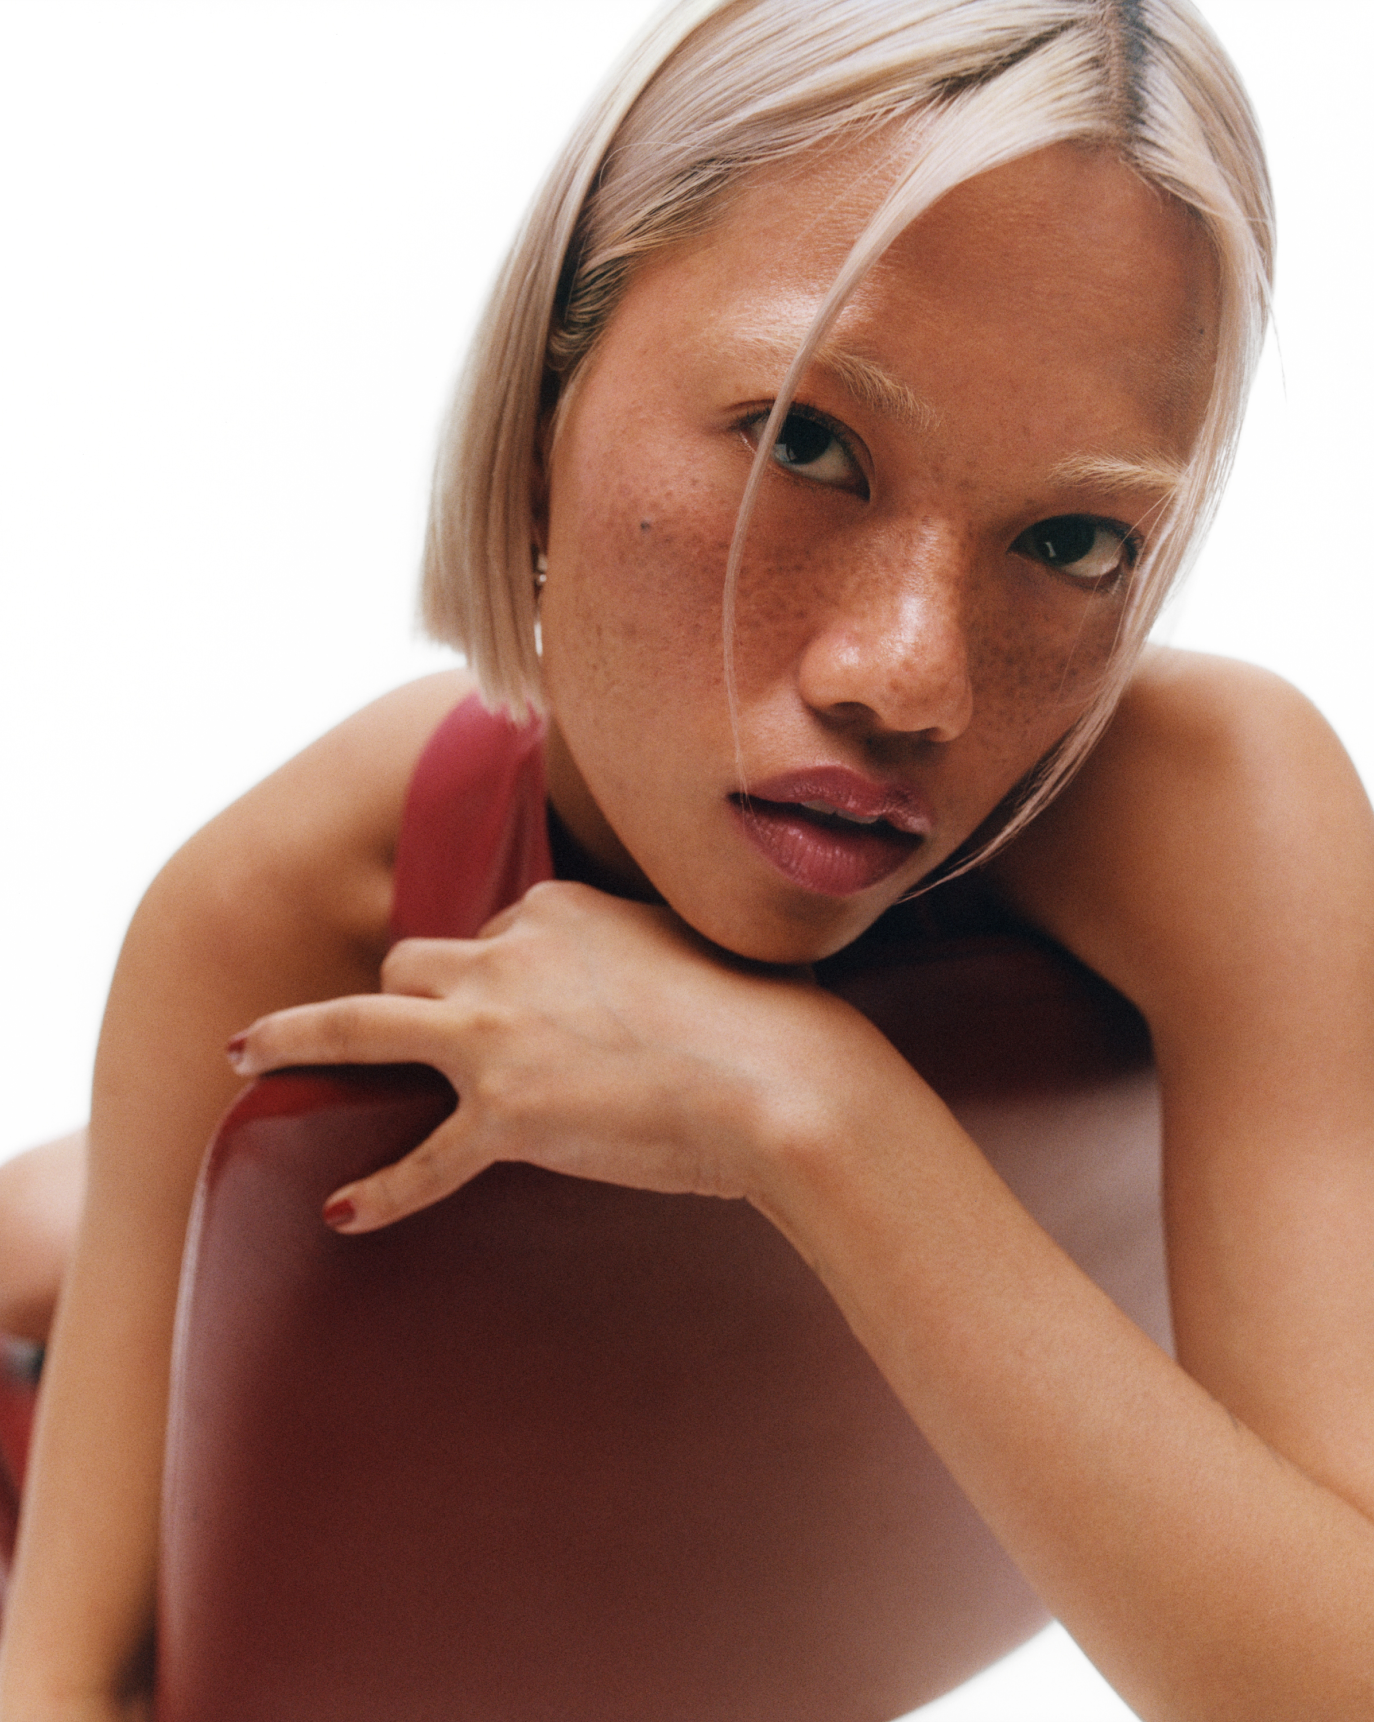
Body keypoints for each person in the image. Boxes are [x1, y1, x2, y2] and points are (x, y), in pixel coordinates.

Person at [3, 0, 1373, 1717]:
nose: (906, 677)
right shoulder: (282, 900)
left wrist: (816, 1120)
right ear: (547, 394)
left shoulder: (1223, 814)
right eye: (805, 440)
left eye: (1074, 538)